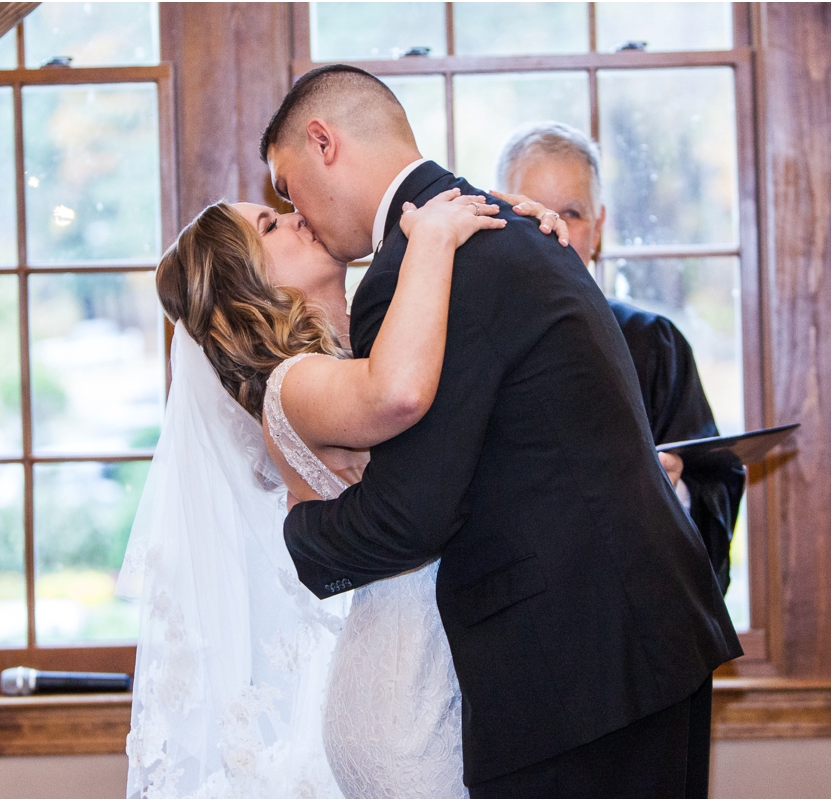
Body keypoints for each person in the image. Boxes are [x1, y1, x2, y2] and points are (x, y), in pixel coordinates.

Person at [263, 64, 742, 798]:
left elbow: (412, 513)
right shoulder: (516, 225)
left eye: (287, 186)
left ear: (323, 141)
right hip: (643, 638)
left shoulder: (420, 267)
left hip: (572, 669)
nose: (298, 213)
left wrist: (294, 530)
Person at [119, 187, 567, 796]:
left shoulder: (367, 341)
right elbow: (397, 395)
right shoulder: (290, 387)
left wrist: (511, 222)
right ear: (248, 284)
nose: (298, 216)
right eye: (272, 225)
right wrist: (432, 237)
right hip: (407, 698)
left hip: (461, 668)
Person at [491, 121, 747, 593]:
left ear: (600, 226)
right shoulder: (470, 340)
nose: (553, 228)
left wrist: (677, 492)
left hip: (639, 612)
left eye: (572, 212)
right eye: (533, 210)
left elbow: (716, 478)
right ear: (499, 214)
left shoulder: (655, 342)